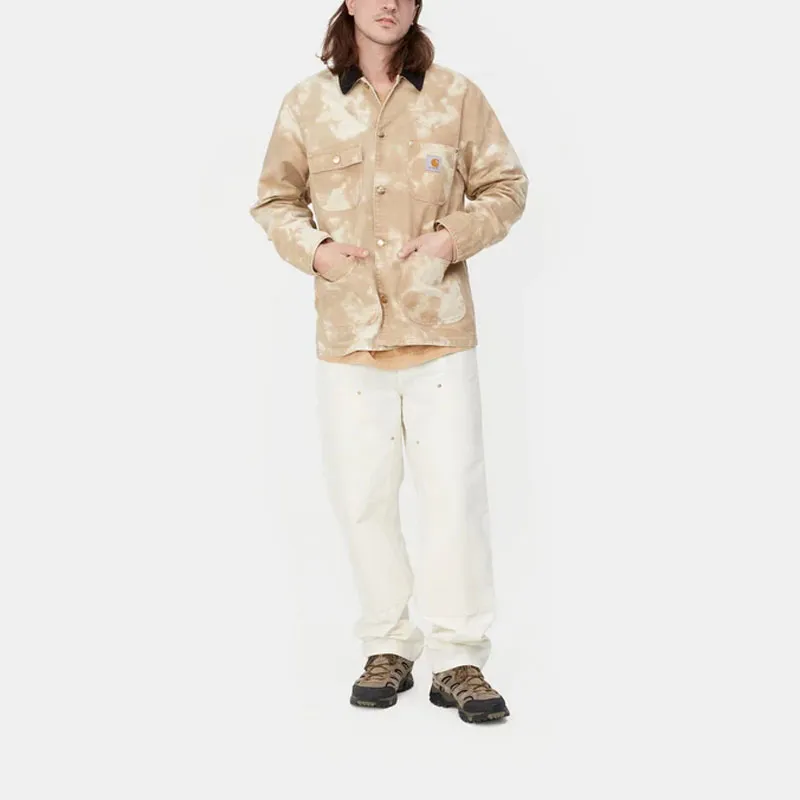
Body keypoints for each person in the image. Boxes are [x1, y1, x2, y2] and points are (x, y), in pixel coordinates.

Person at [248, 0, 528, 724]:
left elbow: (506, 187)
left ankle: (458, 657)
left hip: (439, 331)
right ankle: (387, 644)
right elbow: (275, 200)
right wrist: (316, 250)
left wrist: (452, 237)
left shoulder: (456, 95)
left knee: (453, 496)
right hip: (349, 336)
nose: (388, 3)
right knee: (363, 497)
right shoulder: (307, 103)